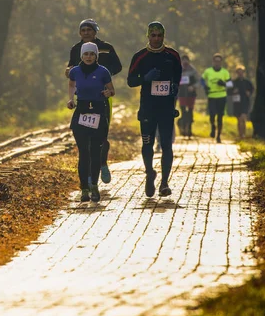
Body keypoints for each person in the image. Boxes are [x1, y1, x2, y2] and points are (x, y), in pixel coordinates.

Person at [127, 21, 182, 197]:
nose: (156, 39)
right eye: (153, 35)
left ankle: (164, 183)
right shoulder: (140, 56)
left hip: (166, 107)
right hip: (148, 108)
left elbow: (178, 78)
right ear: (148, 36)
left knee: (166, 144)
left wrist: (174, 88)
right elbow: (130, 81)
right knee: (147, 144)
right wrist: (145, 78)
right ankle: (149, 173)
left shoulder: (173, 55)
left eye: (159, 35)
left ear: (163, 36)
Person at [65, 19, 122, 184]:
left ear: (95, 31)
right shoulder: (76, 49)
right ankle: (89, 175)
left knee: (101, 134)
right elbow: (70, 70)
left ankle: (102, 163)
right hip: (83, 96)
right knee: (84, 136)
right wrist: (69, 71)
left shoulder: (107, 47)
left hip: (102, 95)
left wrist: (102, 75)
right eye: (83, 30)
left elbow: (117, 66)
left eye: (89, 30)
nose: (86, 33)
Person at [67, 42, 115, 203]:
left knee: (95, 152)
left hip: (98, 112)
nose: (88, 57)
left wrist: (108, 92)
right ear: (82, 56)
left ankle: (94, 185)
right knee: (83, 152)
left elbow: (112, 90)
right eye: (86, 54)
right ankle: (84, 189)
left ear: (96, 56)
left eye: (92, 54)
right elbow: (71, 85)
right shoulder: (75, 71)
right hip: (81, 112)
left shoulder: (103, 71)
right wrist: (70, 99)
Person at [202, 53, 232, 143]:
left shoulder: (225, 72)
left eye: (219, 61)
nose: (217, 63)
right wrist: (205, 87)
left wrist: (224, 84)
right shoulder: (208, 71)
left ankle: (218, 136)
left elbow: (231, 84)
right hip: (211, 96)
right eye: (216, 61)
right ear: (213, 62)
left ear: (221, 62)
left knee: (220, 117)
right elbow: (201, 80)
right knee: (212, 115)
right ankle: (212, 127)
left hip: (222, 96)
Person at [177, 54, 200, 137]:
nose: (185, 62)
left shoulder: (193, 71)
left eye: (186, 61)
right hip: (182, 94)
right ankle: (183, 126)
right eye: (183, 61)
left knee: (190, 111)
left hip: (191, 94)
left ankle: (189, 129)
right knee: (183, 111)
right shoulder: (178, 69)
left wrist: (193, 87)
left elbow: (198, 81)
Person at [232, 65, 254, 138]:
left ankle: (243, 135)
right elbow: (228, 90)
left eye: (241, 72)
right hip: (237, 103)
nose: (240, 74)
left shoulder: (247, 82)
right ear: (237, 73)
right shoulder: (234, 82)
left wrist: (249, 93)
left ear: (243, 72)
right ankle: (240, 134)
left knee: (243, 118)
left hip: (245, 102)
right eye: (238, 72)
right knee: (239, 120)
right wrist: (233, 91)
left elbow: (252, 89)